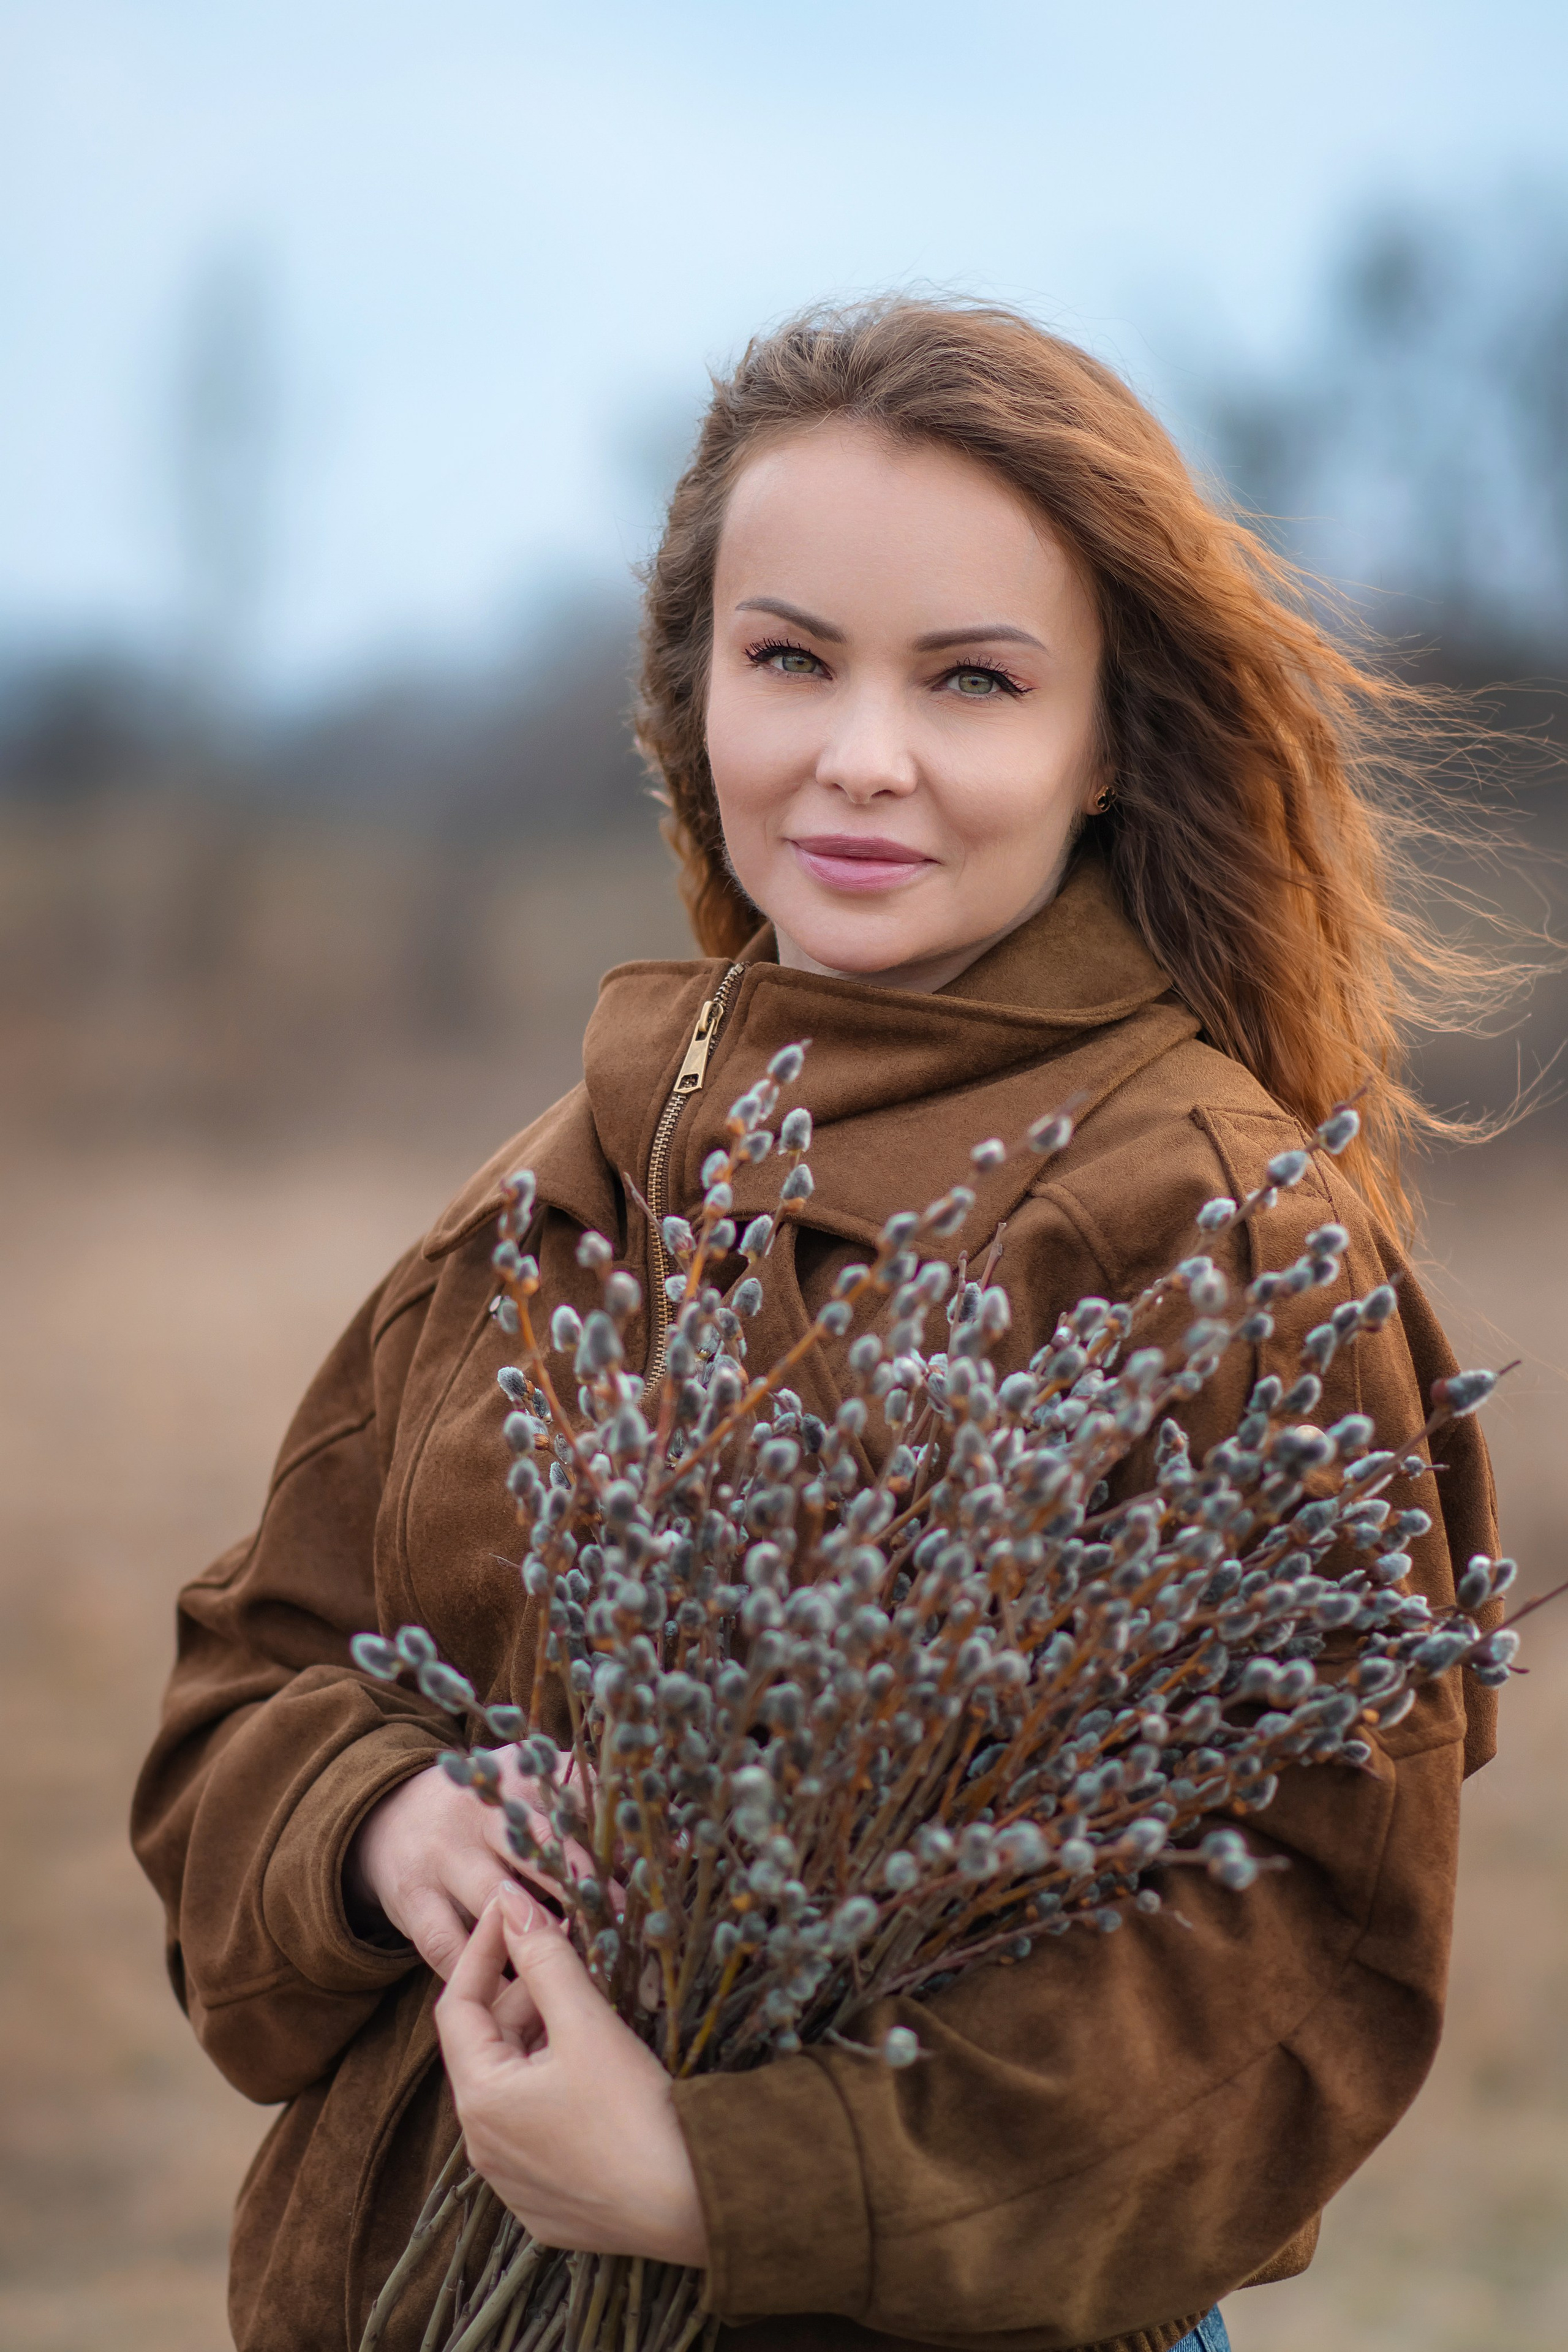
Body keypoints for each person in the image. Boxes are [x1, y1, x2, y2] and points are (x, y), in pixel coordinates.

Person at [133, 300, 1504, 2352]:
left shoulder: (1209, 1237)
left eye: (972, 679)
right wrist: (383, 1826)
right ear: (690, 694)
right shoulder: (566, 1174)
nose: (863, 756)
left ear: (1113, 735)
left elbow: (1296, 1958)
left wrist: (720, 2182)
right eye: (790, 659)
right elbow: (251, 1678)